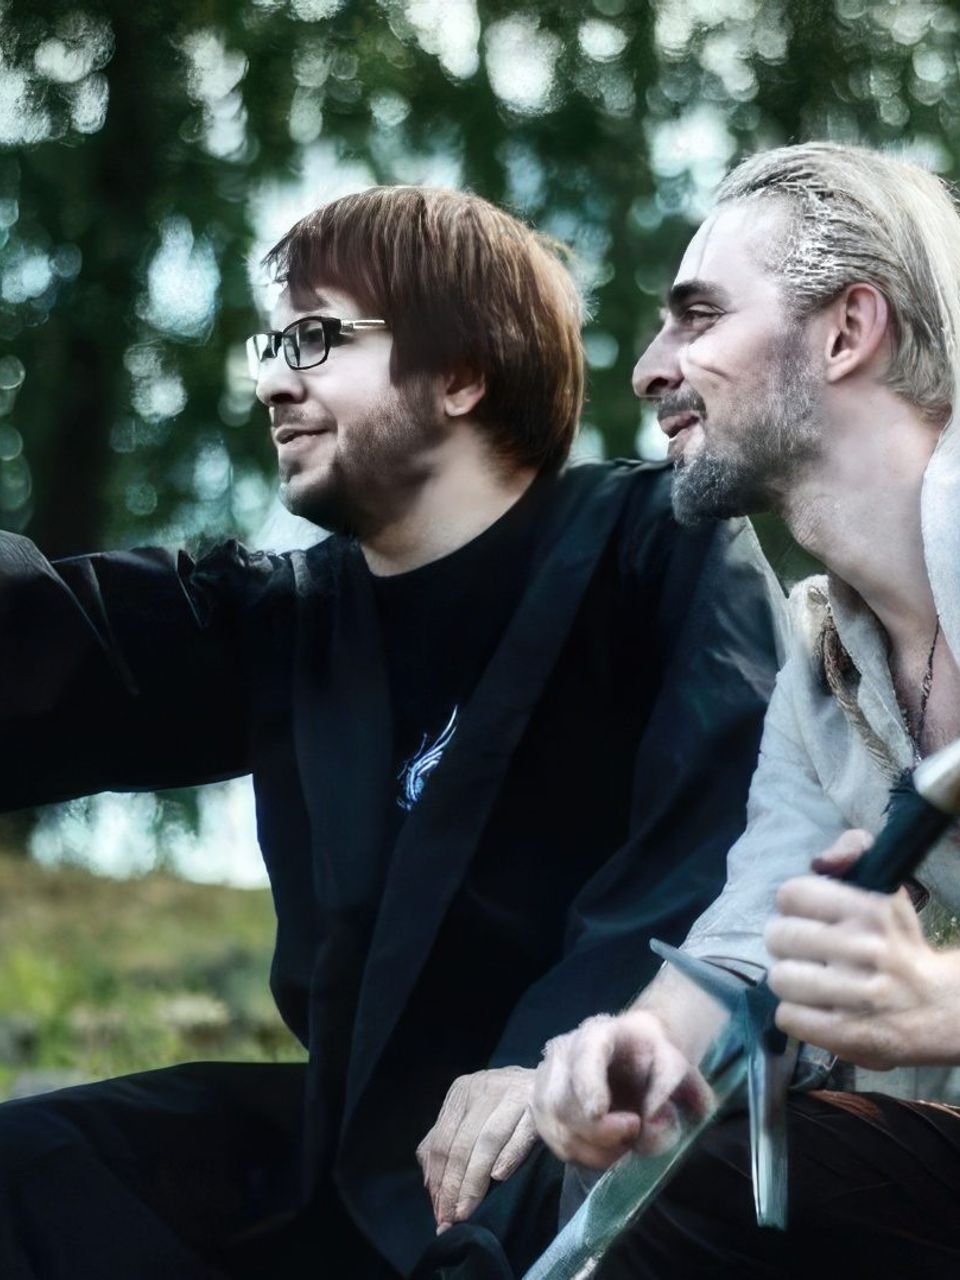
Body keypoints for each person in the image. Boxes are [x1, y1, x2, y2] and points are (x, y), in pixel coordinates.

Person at [0, 185, 782, 1279]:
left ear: (460, 373)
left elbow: (728, 841)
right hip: (348, 1166)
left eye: (317, 338)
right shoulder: (285, 618)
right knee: (35, 1173)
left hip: (578, 1132)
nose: (274, 382)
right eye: (274, 346)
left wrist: (559, 1060)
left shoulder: (651, 549)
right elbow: (51, 643)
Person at [532, 142, 960, 1277]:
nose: (650, 369)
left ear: (846, 331)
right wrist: (633, 1053)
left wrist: (941, 1002)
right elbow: (740, 952)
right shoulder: (822, 669)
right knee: (657, 1175)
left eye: (699, 316)